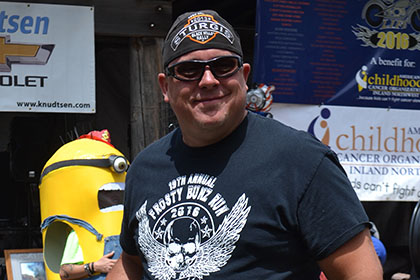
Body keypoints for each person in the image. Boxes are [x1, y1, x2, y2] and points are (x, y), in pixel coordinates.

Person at [106, 9, 383, 280]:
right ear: (166, 87)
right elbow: (132, 261)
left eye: (223, 66)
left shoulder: (301, 160)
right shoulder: (144, 167)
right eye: (188, 70)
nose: (208, 80)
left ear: (244, 75)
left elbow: (361, 272)